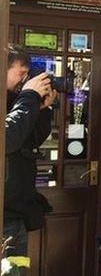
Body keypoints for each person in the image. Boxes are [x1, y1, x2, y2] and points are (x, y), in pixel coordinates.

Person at [3, 44, 56, 257]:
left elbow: (31, 141)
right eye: (21, 73)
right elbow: (7, 140)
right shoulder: (20, 99)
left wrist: (41, 109)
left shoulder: (14, 100)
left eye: (27, 74)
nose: (25, 80)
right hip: (4, 217)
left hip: (15, 213)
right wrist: (29, 97)